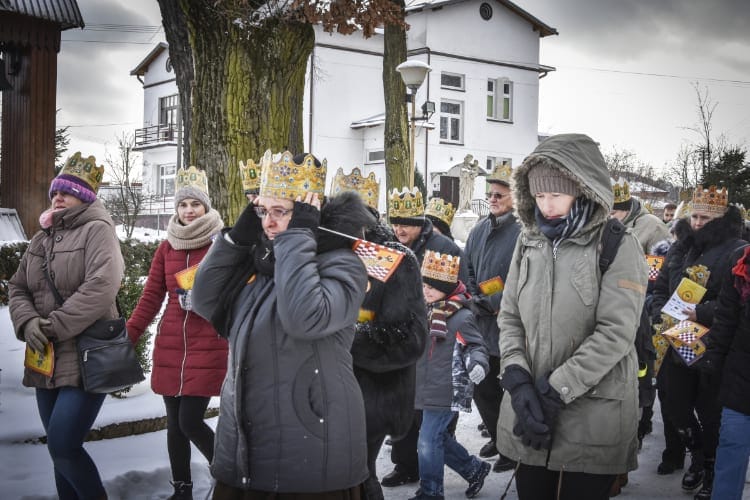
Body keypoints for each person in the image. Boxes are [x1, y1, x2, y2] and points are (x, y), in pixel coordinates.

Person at [192, 150, 374, 498]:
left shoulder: (343, 264)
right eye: (263, 211)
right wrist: (236, 240)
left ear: (307, 214)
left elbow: (305, 318)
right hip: (245, 444)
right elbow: (204, 300)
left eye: (280, 212)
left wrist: (298, 237)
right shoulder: (260, 260)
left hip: (309, 445)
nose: (268, 223)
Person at [496, 134, 648, 500]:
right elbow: (510, 315)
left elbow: (616, 332)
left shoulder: (616, 244)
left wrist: (556, 390)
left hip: (591, 417)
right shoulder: (528, 240)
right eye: (539, 195)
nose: (546, 205)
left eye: (556, 195)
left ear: (582, 190)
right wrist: (517, 378)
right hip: (529, 408)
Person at [9, 152, 124, 500]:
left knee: (63, 445)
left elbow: (103, 286)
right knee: (58, 452)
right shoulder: (41, 238)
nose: (58, 197)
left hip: (87, 357)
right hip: (46, 355)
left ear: (86, 197)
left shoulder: (97, 231)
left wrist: (53, 325)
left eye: (67, 192)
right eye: (55, 192)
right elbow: (18, 286)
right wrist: (28, 322)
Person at [125, 166, 226, 500]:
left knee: (190, 421)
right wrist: (129, 334)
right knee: (174, 423)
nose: (188, 210)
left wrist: (207, 302)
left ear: (206, 207)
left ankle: (229, 476)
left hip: (207, 341)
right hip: (171, 344)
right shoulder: (166, 248)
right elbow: (152, 296)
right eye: (183, 204)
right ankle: (181, 489)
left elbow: (233, 292)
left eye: (195, 204)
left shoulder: (219, 244)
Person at [330, 167, 428, 500]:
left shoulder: (395, 259)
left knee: (359, 477)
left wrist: (345, 340)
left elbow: (409, 337)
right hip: (331, 394)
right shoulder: (329, 253)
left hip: (373, 397)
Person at [650, 186, 746, 500]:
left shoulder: (737, 249)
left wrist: (698, 311)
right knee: (675, 405)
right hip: (674, 337)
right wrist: (659, 311)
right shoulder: (681, 247)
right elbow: (661, 287)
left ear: (722, 218)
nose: (698, 222)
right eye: (694, 216)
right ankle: (695, 451)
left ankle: (709, 463)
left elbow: (735, 304)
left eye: (705, 217)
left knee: (709, 411)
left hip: (712, 341)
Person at [382, 186, 465, 488]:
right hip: (400, 339)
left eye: (405, 221)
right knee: (403, 407)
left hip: (434, 339)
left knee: (430, 410)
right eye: (395, 221)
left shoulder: (444, 246)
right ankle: (405, 465)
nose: (399, 227)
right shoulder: (392, 245)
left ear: (419, 221)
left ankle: (435, 460)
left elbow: (459, 290)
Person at [410, 250, 490, 500]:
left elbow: (476, 346)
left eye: (433, 287)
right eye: (424, 285)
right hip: (424, 386)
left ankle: (431, 492)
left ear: (447, 287)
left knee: (427, 441)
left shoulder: (460, 317)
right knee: (437, 438)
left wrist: (478, 363)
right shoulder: (424, 310)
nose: (427, 291)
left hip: (446, 388)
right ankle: (473, 468)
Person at [607, 179, 670, 495]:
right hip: (608, 319)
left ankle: (622, 466)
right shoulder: (599, 224)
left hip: (639, 322)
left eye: (615, 209)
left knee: (635, 388)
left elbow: (658, 279)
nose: (611, 215)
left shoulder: (652, 228)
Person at [461, 163, 520, 473]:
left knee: (506, 391)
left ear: (515, 197)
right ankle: (499, 437)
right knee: (482, 388)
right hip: (480, 323)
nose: (493, 199)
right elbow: (466, 265)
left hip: (507, 325)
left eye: (500, 194)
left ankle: (511, 448)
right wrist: (475, 300)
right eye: (490, 194)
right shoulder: (480, 229)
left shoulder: (522, 231)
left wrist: (494, 302)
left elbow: (522, 277)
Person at [699, 244, 750, 500]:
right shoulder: (742, 262)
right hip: (741, 379)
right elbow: (726, 319)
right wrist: (713, 362)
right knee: (731, 449)